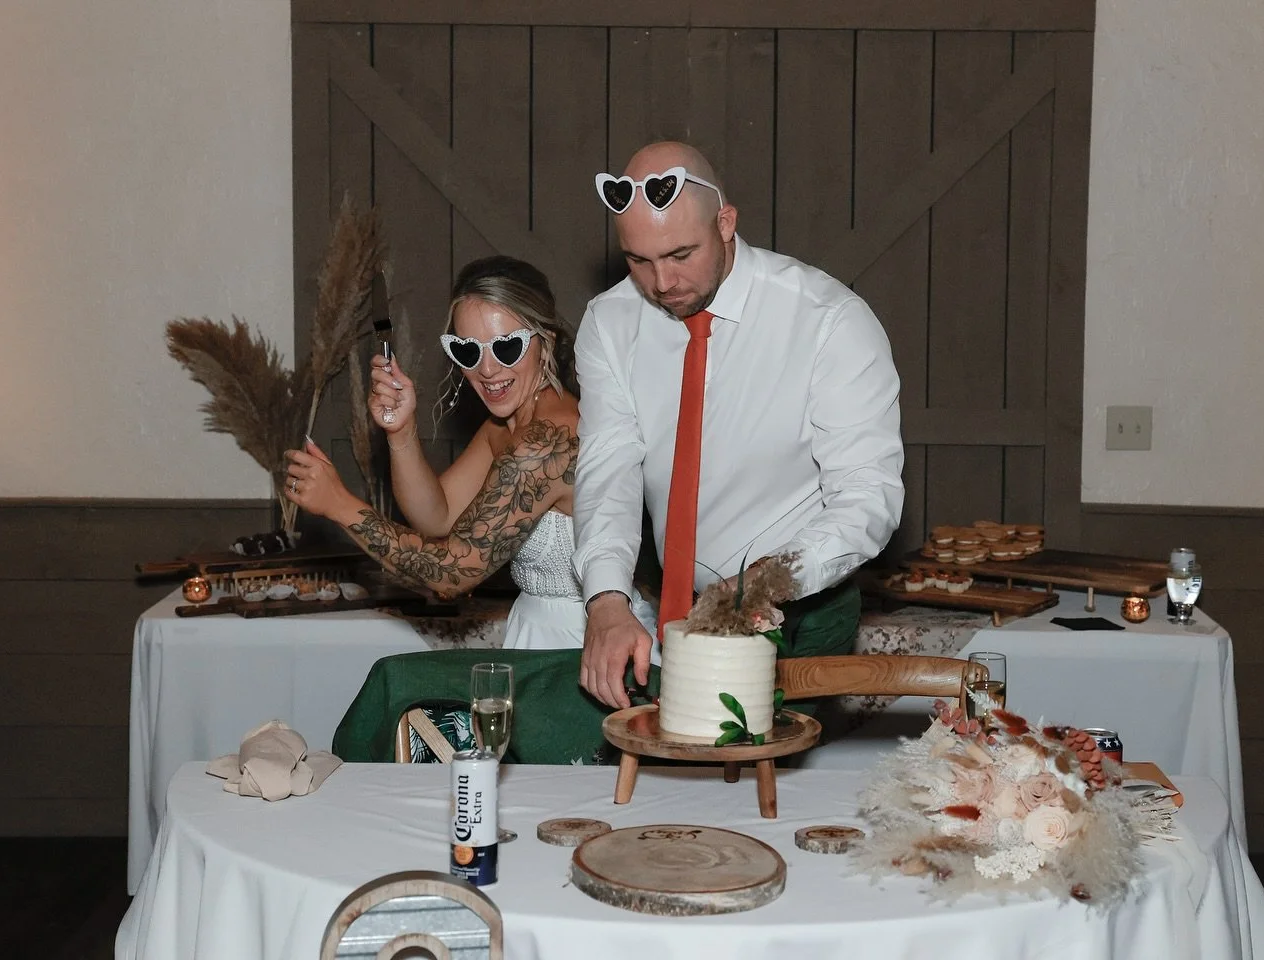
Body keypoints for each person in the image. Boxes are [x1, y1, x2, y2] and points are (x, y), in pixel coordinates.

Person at [574, 141, 905, 709]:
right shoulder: (610, 322)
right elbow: (610, 468)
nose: (661, 282)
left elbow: (868, 498)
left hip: (801, 603)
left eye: (681, 254)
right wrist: (606, 599)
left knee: (776, 788)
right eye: (638, 261)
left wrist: (758, 584)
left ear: (726, 222)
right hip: (673, 605)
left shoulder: (828, 320)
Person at [285, 254, 656, 652]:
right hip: (537, 631)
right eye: (467, 351)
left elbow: (451, 573)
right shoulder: (506, 427)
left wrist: (340, 505)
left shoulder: (544, 444)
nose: (488, 369)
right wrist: (401, 431)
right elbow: (438, 515)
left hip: (581, 644)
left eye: (507, 347)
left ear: (545, 341)